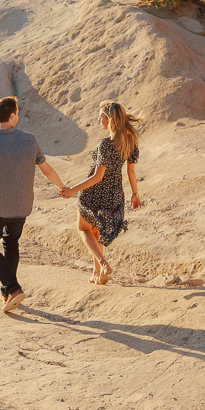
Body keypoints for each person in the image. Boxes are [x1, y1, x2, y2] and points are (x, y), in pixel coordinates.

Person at [0, 96, 66, 313]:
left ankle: (13, 288)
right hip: (22, 207)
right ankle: (7, 293)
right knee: (11, 243)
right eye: (17, 112)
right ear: (11, 116)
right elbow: (46, 169)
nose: (18, 115)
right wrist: (61, 186)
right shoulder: (30, 140)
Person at [60, 101, 141, 285]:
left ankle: (103, 264)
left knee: (83, 229)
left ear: (110, 119)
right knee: (96, 232)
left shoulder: (106, 144)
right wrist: (135, 194)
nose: (99, 120)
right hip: (114, 194)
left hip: (95, 192)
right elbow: (131, 171)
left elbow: (97, 177)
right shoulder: (130, 141)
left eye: (102, 117)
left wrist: (72, 190)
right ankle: (97, 272)